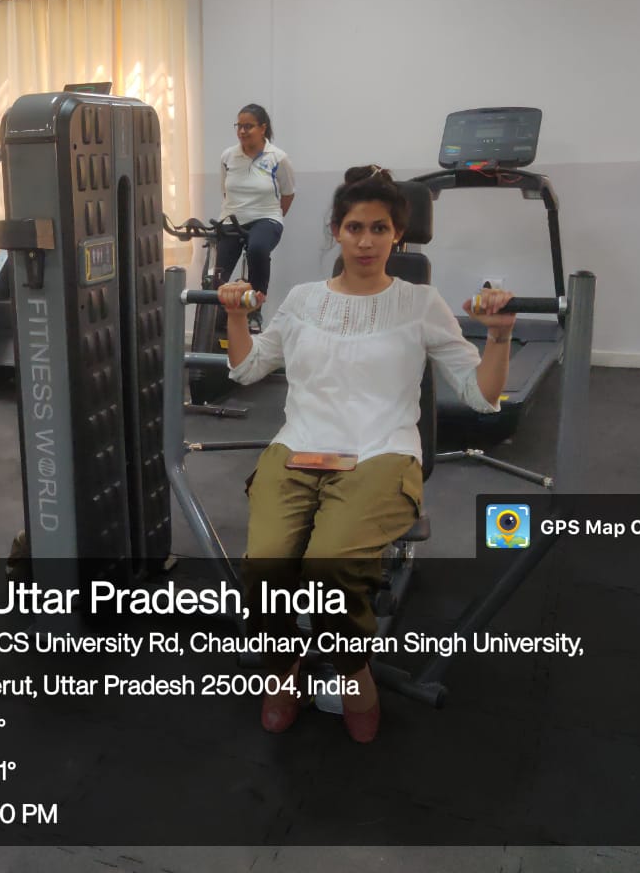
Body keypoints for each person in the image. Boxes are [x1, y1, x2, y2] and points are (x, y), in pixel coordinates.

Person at [217, 165, 515, 740]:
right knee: (265, 567)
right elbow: (247, 368)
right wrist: (234, 315)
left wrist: (498, 335)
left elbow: (480, 396)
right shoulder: (303, 300)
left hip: (381, 450)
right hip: (299, 447)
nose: (365, 241)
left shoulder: (421, 303)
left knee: (330, 567)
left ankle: (355, 674)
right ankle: (283, 671)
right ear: (336, 230)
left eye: (380, 228)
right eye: (354, 227)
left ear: (397, 235)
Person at [216, 104, 296, 327]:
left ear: (263, 128)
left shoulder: (277, 158)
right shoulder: (228, 156)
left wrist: (274, 217)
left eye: (248, 126)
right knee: (216, 273)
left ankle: (255, 307)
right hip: (232, 218)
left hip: (266, 217)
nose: (242, 131)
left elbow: (288, 194)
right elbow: (226, 191)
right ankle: (218, 321)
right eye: (239, 126)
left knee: (258, 249)